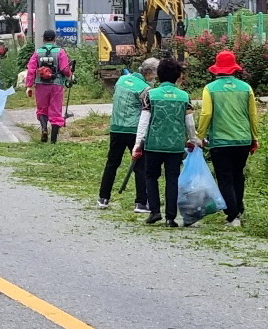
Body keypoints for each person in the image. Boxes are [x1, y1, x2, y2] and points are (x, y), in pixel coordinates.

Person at [132, 58, 200, 227]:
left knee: (151, 177)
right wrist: (193, 140)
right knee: (172, 179)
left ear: (159, 75)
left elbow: (144, 121)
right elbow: (190, 124)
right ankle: (171, 217)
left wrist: (138, 143)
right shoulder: (184, 97)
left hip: (154, 144)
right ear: (178, 76)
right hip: (175, 146)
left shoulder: (150, 95)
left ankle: (155, 212)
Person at [196, 51, 259, 227]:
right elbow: (253, 115)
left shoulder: (210, 88)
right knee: (238, 175)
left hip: (220, 141)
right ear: (234, 68)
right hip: (242, 140)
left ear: (217, 69)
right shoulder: (246, 88)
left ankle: (232, 215)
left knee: (224, 177)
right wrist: (254, 137)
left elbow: (206, 113)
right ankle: (237, 209)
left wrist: (199, 136)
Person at [96, 57, 159, 212]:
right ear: (149, 73)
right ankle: (141, 202)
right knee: (140, 166)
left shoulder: (122, 80)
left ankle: (103, 198)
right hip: (134, 130)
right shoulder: (145, 89)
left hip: (116, 128)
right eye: (155, 76)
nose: (155, 79)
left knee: (112, 163)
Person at [24, 30, 73, 143]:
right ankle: (53, 140)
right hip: (56, 84)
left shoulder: (37, 52)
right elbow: (65, 69)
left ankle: (44, 129)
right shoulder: (60, 52)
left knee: (42, 109)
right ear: (54, 39)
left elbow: (31, 69)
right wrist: (70, 76)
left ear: (44, 39)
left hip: (40, 85)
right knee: (55, 110)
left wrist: (29, 86)